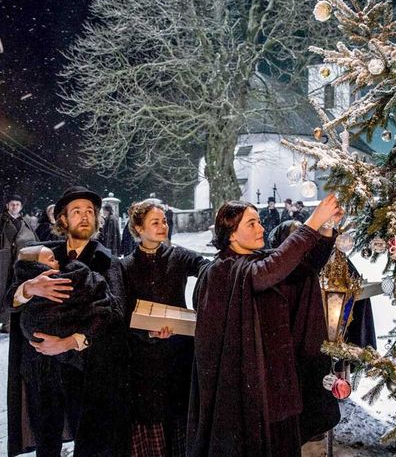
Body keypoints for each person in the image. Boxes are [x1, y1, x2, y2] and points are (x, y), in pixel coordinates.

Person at [188, 194, 343, 456]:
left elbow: (305, 265)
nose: (261, 228)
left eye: (259, 222)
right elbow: (267, 272)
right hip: (245, 388)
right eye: (251, 224)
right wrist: (312, 221)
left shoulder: (257, 261)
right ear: (231, 235)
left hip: (277, 383)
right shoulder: (220, 271)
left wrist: (326, 227)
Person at [6, 186, 129, 457]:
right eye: (77, 211)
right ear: (63, 220)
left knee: (90, 444)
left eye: (90, 212)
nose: (85, 217)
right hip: (41, 369)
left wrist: (68, 342)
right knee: (45, 444)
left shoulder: (107, 261)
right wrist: (29, 288)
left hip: (84, 370)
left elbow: (116, 312)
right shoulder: (41, 255)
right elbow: (9, 300)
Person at [119, 200, 207, 457]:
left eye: (164, 221)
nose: (163, 226)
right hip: (145, 361)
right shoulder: (125, 267)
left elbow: (205, 267)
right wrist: (146, 333)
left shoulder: (177, 255)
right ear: (138, 228)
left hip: (179, 353)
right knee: (154, 421)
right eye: (155, 222)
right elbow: (123, 314)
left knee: (180, 419)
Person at [267, 219, 342, 443]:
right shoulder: (275, 266)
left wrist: (327, 228)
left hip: (307, 344)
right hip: (288, 348)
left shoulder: (304, 264)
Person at [14, 245, 113, 371]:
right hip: (43, 364)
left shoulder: (106, 258)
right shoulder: (49, 254)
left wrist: (71, 342)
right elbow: (9, 300)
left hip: (87, 359)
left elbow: (115, 309)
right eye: (52, 260)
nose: (57, 262)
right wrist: (28, 288)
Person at [0, 194, 37, 332]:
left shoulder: (26, 222)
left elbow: (33, 240)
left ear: (21, 207)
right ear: (7, 206)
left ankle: (16, 320)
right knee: (0, 290)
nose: (15, 207)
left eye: (17, 204)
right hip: (3, 263)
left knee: (19, 289)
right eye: (12, 204)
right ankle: (4, 321)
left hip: (21, 261)